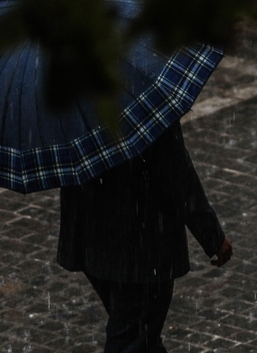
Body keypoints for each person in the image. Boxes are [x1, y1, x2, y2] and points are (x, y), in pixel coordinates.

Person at [57, 121, 233, 352]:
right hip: (139, 247)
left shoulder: (70, 96)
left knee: (140, 336)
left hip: (91, 239)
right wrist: (212, 236)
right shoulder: (143, 100)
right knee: (133, 337)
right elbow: (175, 169)